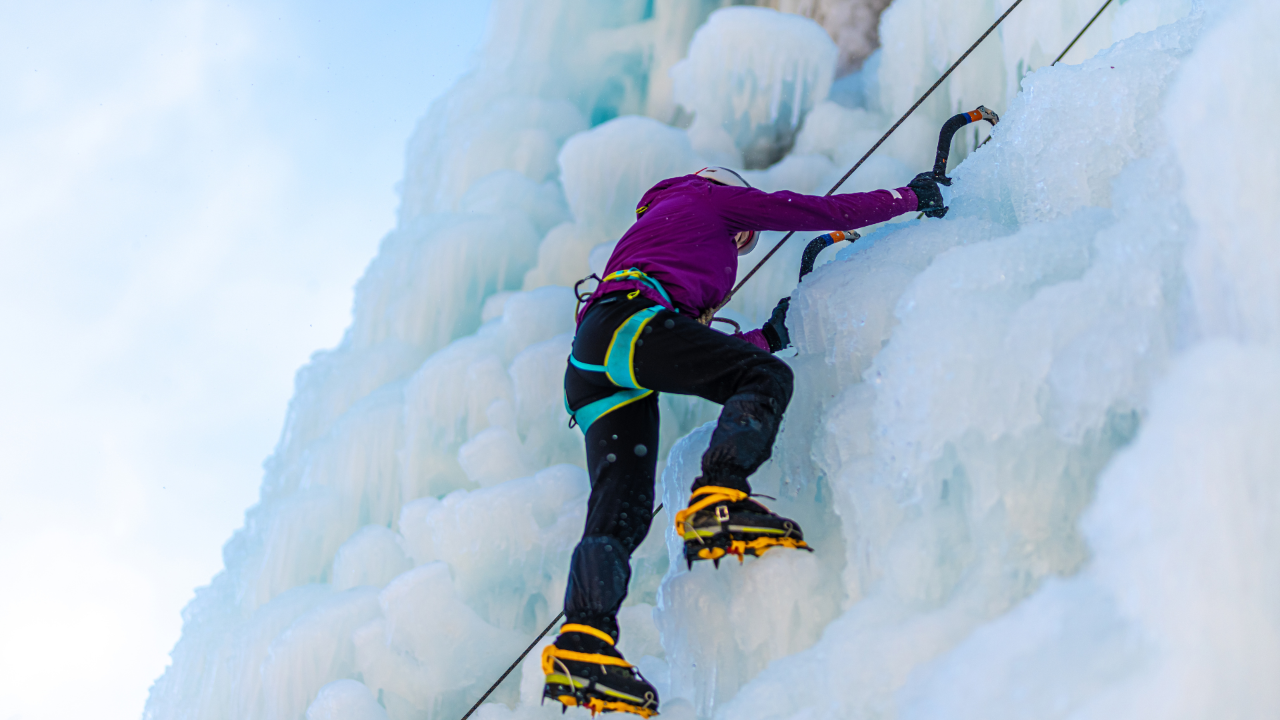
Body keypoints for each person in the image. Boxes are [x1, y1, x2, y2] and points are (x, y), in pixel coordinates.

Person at [541, 166, 944, 717]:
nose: (744, 242)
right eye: (744, 236)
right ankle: (719, 495)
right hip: (628, 321)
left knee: (622, 514)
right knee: (765, 379)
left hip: (595, 361)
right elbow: (809, 211)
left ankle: (582, 645)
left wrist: (768, 337)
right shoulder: (709, 200)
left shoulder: (661, 228)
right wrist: (906, 198)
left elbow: (688, 350)